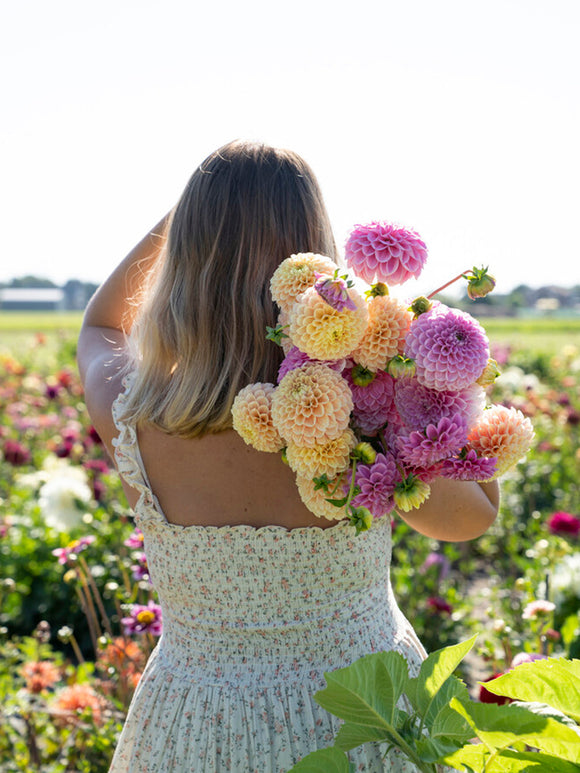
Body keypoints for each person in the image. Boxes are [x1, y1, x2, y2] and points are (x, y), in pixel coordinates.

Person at [78, 140, 499, 772]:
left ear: (186, 253)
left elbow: (100, 326)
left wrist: (193, 215)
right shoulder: (360, 403)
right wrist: (442, 404)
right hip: (359, 718)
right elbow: (469, 521)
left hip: (196, 724)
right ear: (315, 251)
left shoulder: (134, 408)